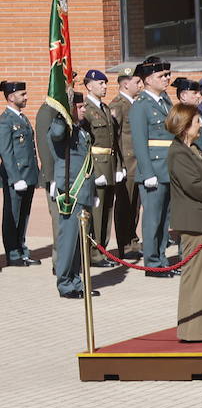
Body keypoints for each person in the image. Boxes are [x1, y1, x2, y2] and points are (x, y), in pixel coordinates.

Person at [167, 102, 202, 341]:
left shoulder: (193, 148)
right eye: (196, 122)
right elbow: (194, 185)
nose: (200, 126)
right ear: (185, 126)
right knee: (196, 278)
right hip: (193, 221)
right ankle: (193, 331)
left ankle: (200, 328)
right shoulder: (178, 152)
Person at [129, 57, 177, 273]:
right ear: (148, 80)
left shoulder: (165, 101)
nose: (166, 79)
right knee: (153, 218)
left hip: (168, 167)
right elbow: (139, 141)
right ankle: (153, 263)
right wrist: (147, 172)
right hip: (154, 170)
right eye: (161, 76)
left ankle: (162, 259)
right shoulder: (141, 105)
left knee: (165, 218)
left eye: (167, 75)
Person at [48, 93, 96, 299]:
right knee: (68, 240)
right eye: (80, 106)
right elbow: (57, 134)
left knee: (78, 241)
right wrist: (62, 114)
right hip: (70, 192)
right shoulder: (62, 128)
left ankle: (76, 280)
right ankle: (65, 283)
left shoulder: (80, 130)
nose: (84, 109)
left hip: (82, 192)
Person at [0, 81, 40, 266]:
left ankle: (22, 248)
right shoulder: (5, 120)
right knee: (13, 215)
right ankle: (13, 253)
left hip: (28, 174)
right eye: (22, 94)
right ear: (11, 97)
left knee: (24, 215)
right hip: (16, 177)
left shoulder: (22, 118)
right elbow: (6, 152)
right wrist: (15, 179)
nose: (26, 97)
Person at [81, 70, 118, 266]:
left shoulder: (104, 107)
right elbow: (86, 145)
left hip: (110, 165)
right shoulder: (85, 109)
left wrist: (118, 166)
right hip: (98, 166)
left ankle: (102, 249)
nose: (105, 86)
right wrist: (94, 171)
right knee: (97, 212)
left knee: (107, 211)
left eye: (105, 83)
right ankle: (94, 253)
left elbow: (113, 141)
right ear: (89, 86)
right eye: (101, 83)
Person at [108, 66, 142, 262]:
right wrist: (118, 165)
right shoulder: (118, 106)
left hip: (137, 163)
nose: (140, 85)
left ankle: (133, 240)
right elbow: (114, 138)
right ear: (125, 83)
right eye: (136, 82)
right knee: (125, 205)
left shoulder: (134, 104)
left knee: (135, 205)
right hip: (126, 164)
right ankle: (125, 244)